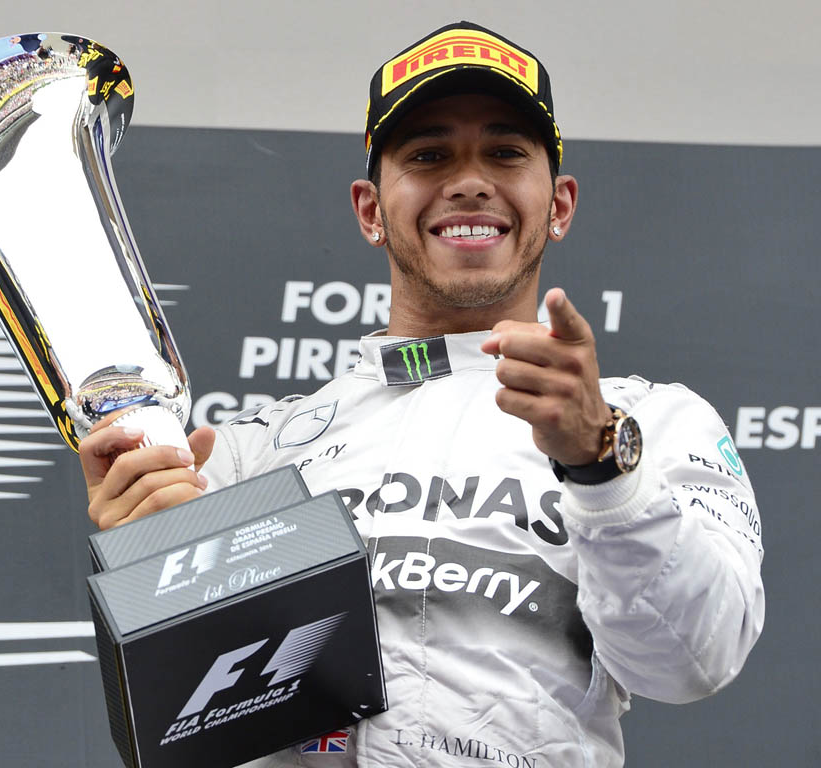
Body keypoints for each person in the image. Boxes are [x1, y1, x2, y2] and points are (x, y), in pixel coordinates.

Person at [80, 21, 764, 767]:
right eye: (429, 155)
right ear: (371, 210)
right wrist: (157, 557)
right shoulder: (250, 452)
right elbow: (194, 728)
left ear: (559, 205)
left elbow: (692, 665)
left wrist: (601, 466)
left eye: (505, 152)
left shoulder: (650, 424)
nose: (469, 180)